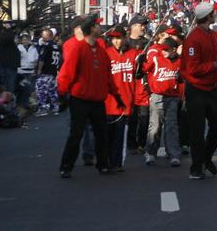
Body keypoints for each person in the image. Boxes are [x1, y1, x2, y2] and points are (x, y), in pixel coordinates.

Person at [57, 13, 123, 177]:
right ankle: (66, 166)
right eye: (98, 25)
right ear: (92, 28)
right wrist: (62, 93)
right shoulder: (78, 49)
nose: (101, 28)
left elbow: (108, 76)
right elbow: (67, 73)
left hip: (98, 100)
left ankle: (103, 164)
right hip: (80, 99)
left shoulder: (101, 51)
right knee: (76, 134)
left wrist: (116, 96)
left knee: (101, 134)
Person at [181, 2, 217, 180]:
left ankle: (206, 157)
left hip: (212, 88)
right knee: (197, 130)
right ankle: (196, 166)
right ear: (208, 16)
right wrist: (216, 64)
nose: (215, 14)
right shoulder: (194, 38)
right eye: (213, 12)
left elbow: (213, 58)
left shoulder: (212, 35)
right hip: (197, 89)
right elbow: (193, 69)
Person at [145, 37, 183, 167]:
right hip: (157, 96)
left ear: (174, 50)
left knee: (171, 125)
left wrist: (181, 78)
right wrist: (140, 62)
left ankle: (173, 154)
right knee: (155, 126)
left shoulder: (179, 61)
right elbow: (145, 69)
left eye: (167, 50)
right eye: (162, 49)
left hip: (172, 97)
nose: (164, 52)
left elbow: (184, 77)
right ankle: (150, 153)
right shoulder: (156, 58)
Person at [104, 25, 137, 172]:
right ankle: (106, 161)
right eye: (113, 39)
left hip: (125, 100)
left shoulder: (133, 54)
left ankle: (117, 162)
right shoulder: (106, 54)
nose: (116, 41)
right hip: (109, 100)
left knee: (119, 135)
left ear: (125, 38)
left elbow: (140, 74)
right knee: (107, 134)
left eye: (119, 38)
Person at [126, 15, 151, 155]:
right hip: (129, 85)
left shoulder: (147, 43)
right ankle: (131, 144)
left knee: (144, 117)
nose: (143, 27)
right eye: (141, 24)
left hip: (143, 86)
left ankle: (142, 143)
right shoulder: (125, 43)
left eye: (144, 25)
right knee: (132, 117)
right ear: (133, 26)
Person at [35, 29, 61, 117]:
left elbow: (42, 58)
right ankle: (55, 107)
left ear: (48, 36)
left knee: (41, 90)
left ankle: (43, 108)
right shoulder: (56, 46)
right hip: (53, 70)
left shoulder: (45, 46)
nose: (42, 37)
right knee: (52, 90)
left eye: (43, 35)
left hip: (45, 71)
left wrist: (39, 69)